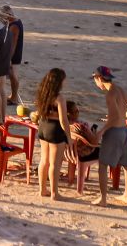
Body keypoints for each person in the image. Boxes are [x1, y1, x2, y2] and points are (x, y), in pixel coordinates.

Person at [92, 66, 127, 206]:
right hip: (125, 131)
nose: (96, 83)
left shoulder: (110, 94)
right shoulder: (121, 90)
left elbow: (115, 117)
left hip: (115, 133)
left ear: (99, 78)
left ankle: (103, 199)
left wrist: (101, 131)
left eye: (95, 80)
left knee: (103, 165)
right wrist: (122, 117)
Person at [35, 68, 70, 200]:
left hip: (43, 126)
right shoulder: (59, 98)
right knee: (55, 164)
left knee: (44, 161)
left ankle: (42, 190)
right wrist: (68, 136)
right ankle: (55, 193)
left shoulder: (42, 94)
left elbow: (39, 113)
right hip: (55, 130)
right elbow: (63, 120)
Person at [5, 7, 25, 106]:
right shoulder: (17, 21)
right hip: (16, 53)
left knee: (13, 76)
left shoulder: (14, 26)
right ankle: (14, 95)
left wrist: (9, 58)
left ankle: (14, 98)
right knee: (13, 76)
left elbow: (13, 44)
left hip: (14, 55)